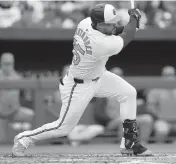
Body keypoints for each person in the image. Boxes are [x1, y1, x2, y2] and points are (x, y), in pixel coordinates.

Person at [12, 3, 152, 156]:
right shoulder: (101, 44)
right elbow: (126, 37)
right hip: (78, 86)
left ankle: (129, 142)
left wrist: (132, 23)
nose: (114, 25)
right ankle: (23, 139)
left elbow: (117, 30)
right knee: (63, 128)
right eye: (110, 23)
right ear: (99, 24)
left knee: (129, 93)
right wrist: (133, 22)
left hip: (99, 77)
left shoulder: (86, 22)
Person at [0, 52, 34, 142]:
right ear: (1, 63)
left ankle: (32, 142)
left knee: (32, 115)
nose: (8, 66)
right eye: (6, 64)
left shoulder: (17, 77)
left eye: (10, 64)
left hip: (15, 112)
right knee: (2, 140)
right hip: (0, 115)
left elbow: (27, 95)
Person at [146, 66, 176, 142]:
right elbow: (150, 107)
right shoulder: (156, 90)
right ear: (162, 76)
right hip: (163, 120)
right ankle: (159, 152)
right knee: (161, 131)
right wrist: (160, 116)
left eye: (171, 74)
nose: (169, 77)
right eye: (166, 75)